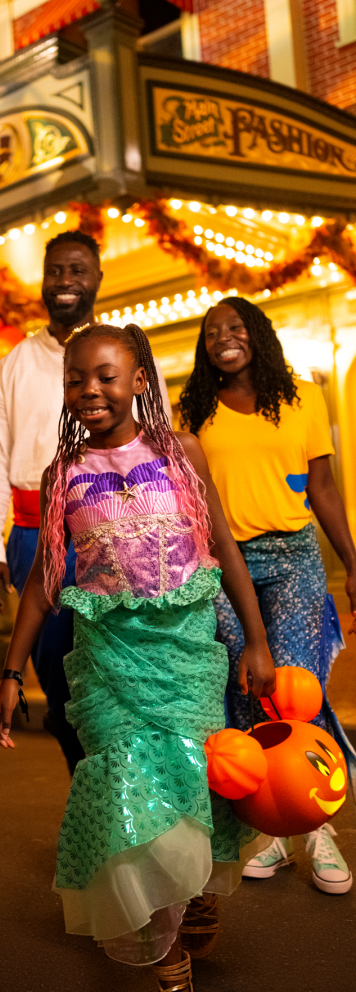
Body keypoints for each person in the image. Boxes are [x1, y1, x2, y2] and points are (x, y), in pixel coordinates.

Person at [0, 323, 275, 990]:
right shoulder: (62, 472)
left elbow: (226, 550)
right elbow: (42, 581)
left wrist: (256, 641)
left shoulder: (182, 453)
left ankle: (192, 890)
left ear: (140, 381)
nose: (89, 390)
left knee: (188, 778)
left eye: (105, 376)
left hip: (185, 653)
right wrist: (10, 672)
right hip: (108, 657)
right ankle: (161, 940)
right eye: (75, 379)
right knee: (126, 783)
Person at [0, 230, 171, 773]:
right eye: (55, 270)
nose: (65, 282)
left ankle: (130, 799)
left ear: (98, 280)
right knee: (61, 693)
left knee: (127, 678)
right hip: (36, 537)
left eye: (77, 270)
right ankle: (94, 792)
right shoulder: (10, 367)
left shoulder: (131, 358)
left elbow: (164, 446)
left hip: (123, 532)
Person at [179, 297, 355, 896]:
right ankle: (276, 825)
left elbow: (325, 490)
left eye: (235, 327)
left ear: (258, 334)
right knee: (250, 688)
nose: (223, 339)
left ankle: (318, 826)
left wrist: (352, 564)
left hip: (295, 555)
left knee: (298, 688)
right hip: (226, 563)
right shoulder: (195, 408)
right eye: (212, 333)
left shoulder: (305, 398)